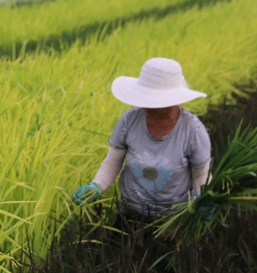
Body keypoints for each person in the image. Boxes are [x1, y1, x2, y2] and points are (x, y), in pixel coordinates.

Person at [72, 57, 211, 221]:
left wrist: (204, 198)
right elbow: (112, 162)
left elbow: (201, 174)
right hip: (129, 214)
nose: (147, 105)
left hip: (173, 219)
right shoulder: (129, 120)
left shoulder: (192, 130)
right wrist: (97, 185)